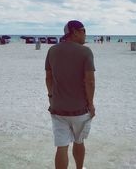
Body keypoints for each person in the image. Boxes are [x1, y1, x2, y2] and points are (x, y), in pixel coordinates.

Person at [45, 20, 96, 169]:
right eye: (84, 30)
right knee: (79, 141)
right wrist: (91, 104)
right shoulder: (85, 51)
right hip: (80, 109)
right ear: (74, 32)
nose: (85, 34)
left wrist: (51, 96)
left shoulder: (52, 50)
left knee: (61, 146)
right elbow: (90, 81)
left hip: (58, 108)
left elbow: (48, 78)